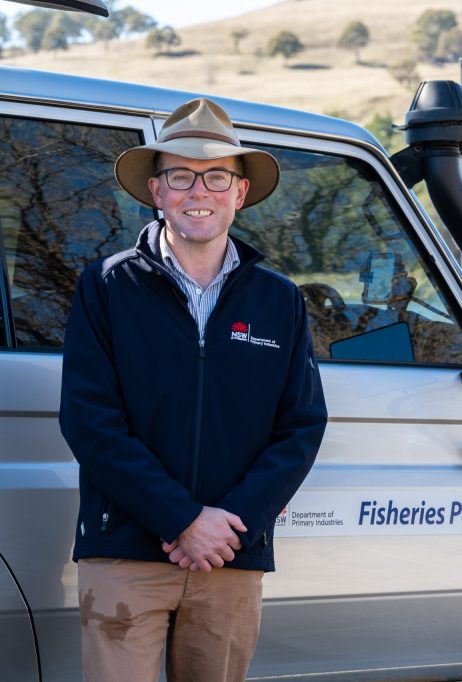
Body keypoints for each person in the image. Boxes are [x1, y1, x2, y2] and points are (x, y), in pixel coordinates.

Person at [60, 98, 328, 682]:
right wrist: (181, 519)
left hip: (230, 555)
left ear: (239, 191)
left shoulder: (279, 300)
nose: (196, 190)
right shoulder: (106, 286)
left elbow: (301, 426)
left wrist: (231, 522)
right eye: (180, 175)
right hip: (125, 551)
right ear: (157, 191)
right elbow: (89, 421)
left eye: (215, 176)